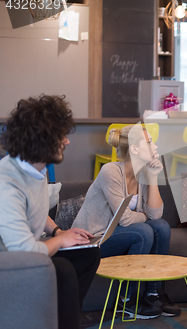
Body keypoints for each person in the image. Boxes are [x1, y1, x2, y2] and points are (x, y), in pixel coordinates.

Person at [0, 95, 101, 329]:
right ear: (42, 141)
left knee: (87, 253)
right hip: (8, 261)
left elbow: (34, 210)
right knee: (63, 269)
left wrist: (58, 232)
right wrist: (61, 240)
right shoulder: (7, 183)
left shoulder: (36, 168)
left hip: (24, 252)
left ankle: (66, 318)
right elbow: (24, 250)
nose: (66, 142)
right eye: (61, 136)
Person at [72, 123, 180, 319]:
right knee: (144, 232)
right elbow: (125, 220)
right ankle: (126, 300)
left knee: (161, 227)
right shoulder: (110, 172)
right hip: (93, 240)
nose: (155, 147)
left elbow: (156, 216)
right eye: (149, 142)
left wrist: (154, 177)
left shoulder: (144, 175)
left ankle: (154, 293)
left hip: (118, 236)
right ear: (135, 149)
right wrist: (144, 216)